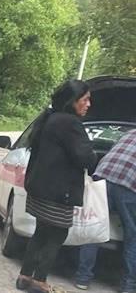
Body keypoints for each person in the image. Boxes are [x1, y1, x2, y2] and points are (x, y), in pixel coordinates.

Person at [16, 79, 97, 293]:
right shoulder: (70, 124)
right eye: (85, 100)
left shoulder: (51, 118)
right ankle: (40, 281)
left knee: (42, 232)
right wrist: (93, 155)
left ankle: (25, 276)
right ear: (72, 101)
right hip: (59, 193)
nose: (89, 104)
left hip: (41, 189)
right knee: (57, 235)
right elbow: (85, 158)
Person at [74, 128, 136, 292]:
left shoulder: (130, 133)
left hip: (103, 178)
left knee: (94, 227)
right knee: (133, 237)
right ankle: (129, 286)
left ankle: (82, 278)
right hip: (130, 187)